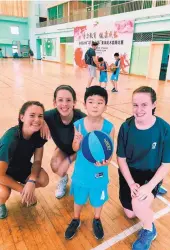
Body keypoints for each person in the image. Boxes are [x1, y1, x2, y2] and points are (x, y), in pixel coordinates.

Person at [116, 86, 170, 250]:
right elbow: (120, 159)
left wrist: (149, 186)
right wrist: (130, 183)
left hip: (151, 173)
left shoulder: (165, 130)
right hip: (130, 172)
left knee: (139, 205)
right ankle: (150, 193)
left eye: (144, 105)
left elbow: (166, 163)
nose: (139, 109)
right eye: (135, 105)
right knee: (130, 214)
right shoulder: (126, 127)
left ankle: (150, 230)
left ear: (154, 104)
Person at [65, 86, 114, 240]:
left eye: (100, 102)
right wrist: (77, 141)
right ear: (85, 104)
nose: (95, 105)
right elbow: (74, 148)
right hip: (81, 172)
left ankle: (97, 219)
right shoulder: (78, 124)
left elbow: (110, 152)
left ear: (105, 106)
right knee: (78, 199)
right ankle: (76, 218)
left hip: (99, 174)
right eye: (91, 101)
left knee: (98, 198)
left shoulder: (109, 127)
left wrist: (106, 163)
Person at [0, 101, 49, 219]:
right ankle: (1, 203)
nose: (37, 119)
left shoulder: (38, 134)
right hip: (3, 172)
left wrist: (31, 181)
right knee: (3, 193)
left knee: (43, 179)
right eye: (32, 115)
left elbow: (37, 161)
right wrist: (23, 190)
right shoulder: (10, 140)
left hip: (21, 167)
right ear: (22, 117)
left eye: (40, 116)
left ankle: (25, 187)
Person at [40, 85, 86, 199]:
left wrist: (70, 159)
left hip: (82, 151)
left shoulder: (82, 119)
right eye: (60, 100)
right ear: (54, 103)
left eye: (68, 100)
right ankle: (64, 179)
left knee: (84, 177)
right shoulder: (49, 116)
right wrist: (43, 122)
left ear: (74, 102)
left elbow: (89, 146)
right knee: (56, 166)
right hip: (64, 148)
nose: (64, 104)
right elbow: (33, 117)